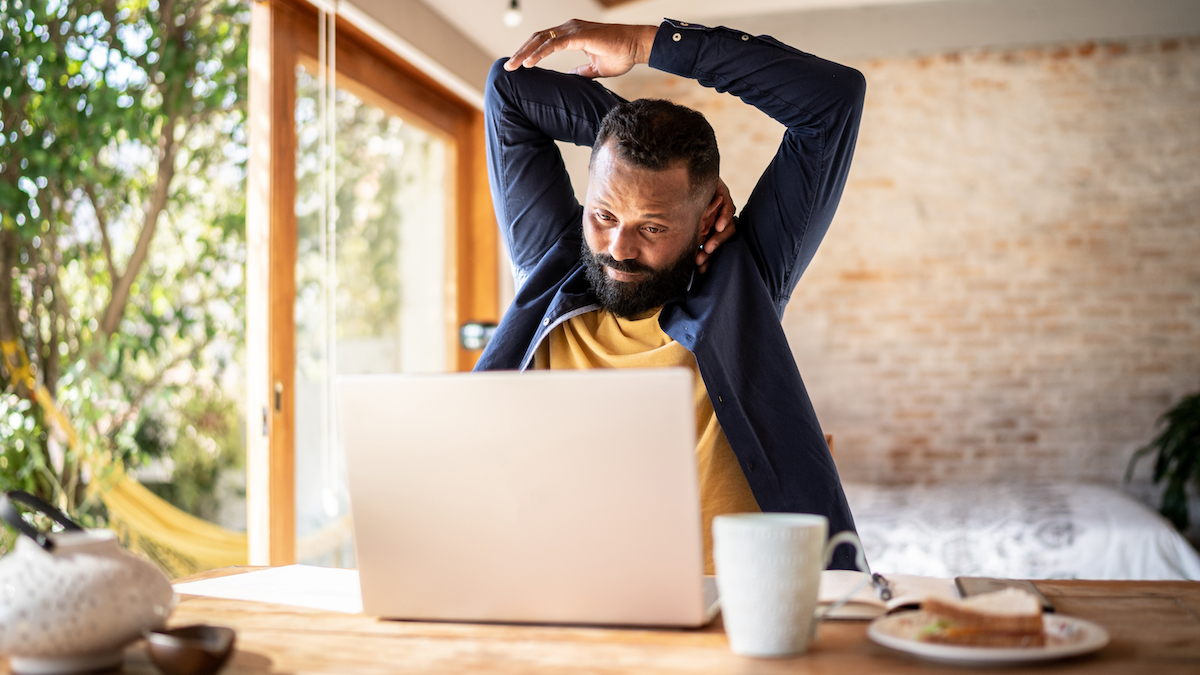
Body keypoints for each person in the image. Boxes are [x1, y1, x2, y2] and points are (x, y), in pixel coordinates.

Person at [476, 18, 865, 571]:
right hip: (562, 591)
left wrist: (645, 45)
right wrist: (629, 135)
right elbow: (509, 91)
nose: (618, 248)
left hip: (734, 614)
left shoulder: (742, 277)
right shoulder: (551, 263)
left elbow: (833, 102)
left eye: (653, 227)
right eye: (604, 213)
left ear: (706, 215)